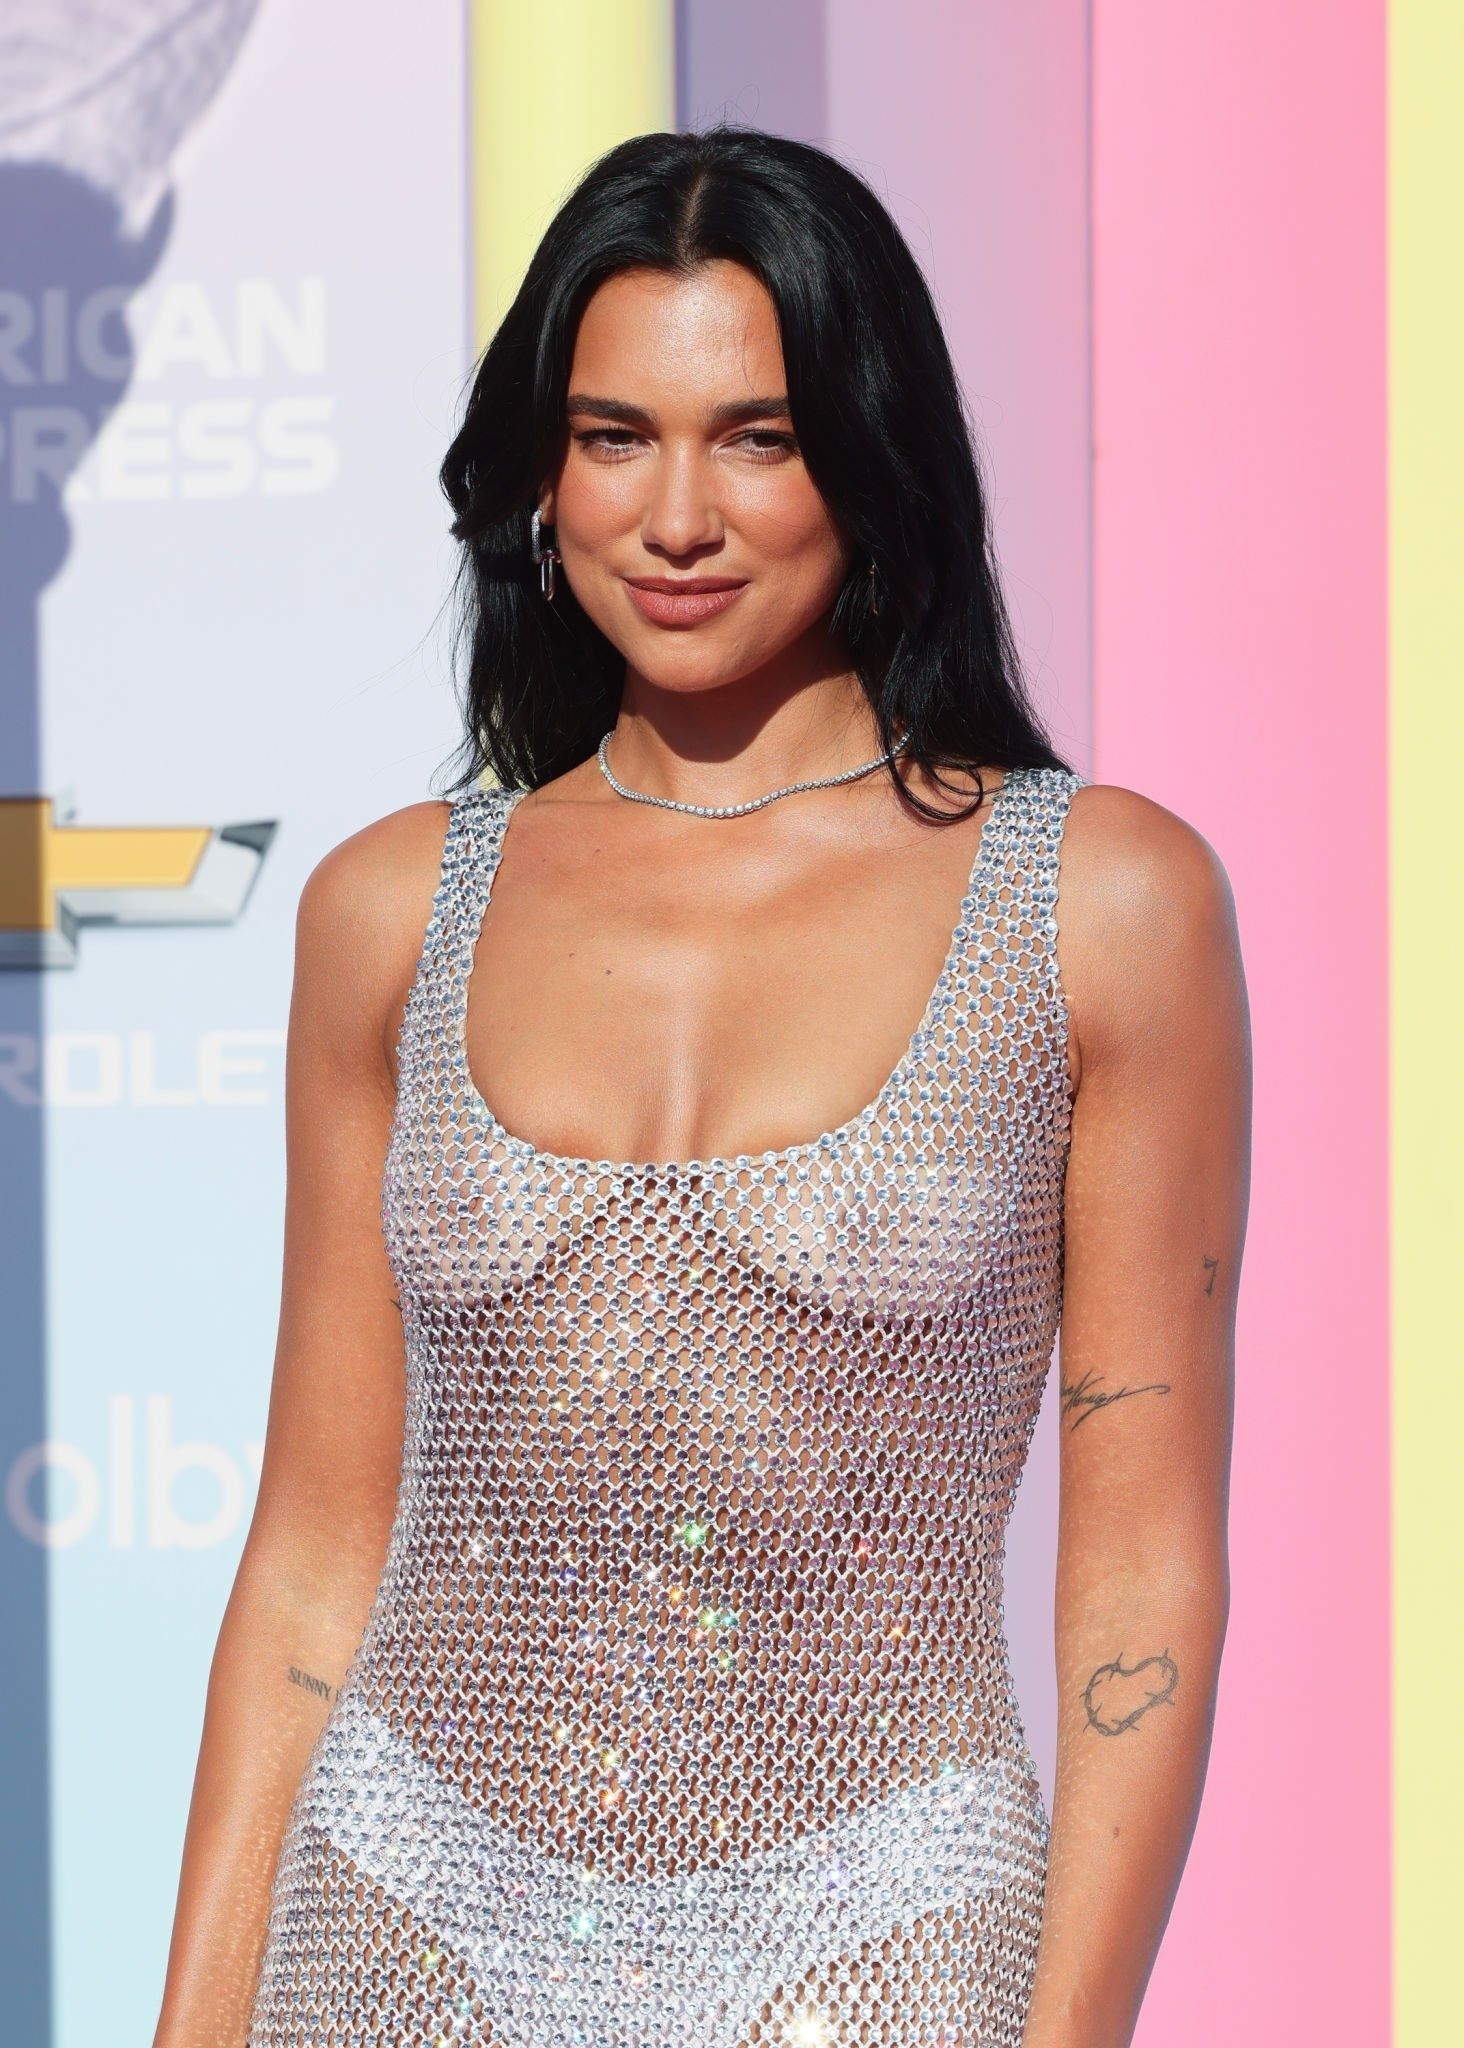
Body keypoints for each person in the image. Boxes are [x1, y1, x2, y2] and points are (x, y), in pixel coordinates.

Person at [153, 124, 1249, 2048]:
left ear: (873, 460)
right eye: (612, 437)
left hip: (884, 1931)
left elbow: (1142, 1569)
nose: (678, 517)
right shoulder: (391, 910)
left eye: (757, 437)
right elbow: (315, 1554)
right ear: (540, 476)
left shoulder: (1099, 903)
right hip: (398, 1917)